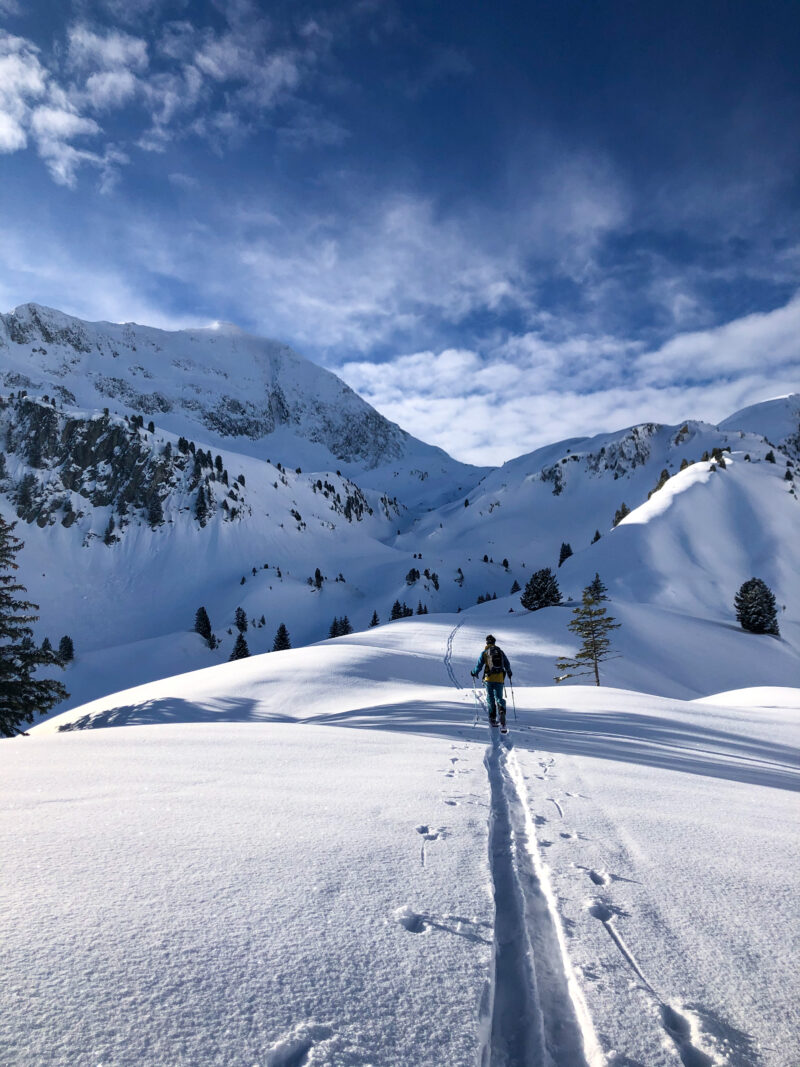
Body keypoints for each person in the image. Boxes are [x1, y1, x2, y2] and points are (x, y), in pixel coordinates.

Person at [471, 634, 512, 730]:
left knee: (490, 698)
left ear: (487, 643)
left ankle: (492, 718)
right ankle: (501, 712)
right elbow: (507, 664)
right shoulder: (500, 652)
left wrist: (474, 673)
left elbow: (479, 666)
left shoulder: (485, 652)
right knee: (499, 698)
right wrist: (509, 673)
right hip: (500, 679)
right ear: (494, 642)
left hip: (488, 679)